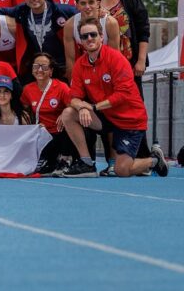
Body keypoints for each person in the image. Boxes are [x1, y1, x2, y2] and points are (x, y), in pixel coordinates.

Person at [60, 17, 167, 178]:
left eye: (93, 34)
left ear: (101, 36)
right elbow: (73, 96)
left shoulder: (116, 59)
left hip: (129, 120)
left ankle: (153, 160)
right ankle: (86, 163)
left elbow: (123, 95)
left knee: (121, 170)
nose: (89, 39)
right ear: (80, 41)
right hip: (106, 117)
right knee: (68, 113)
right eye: (84, 36)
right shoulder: (80, 65)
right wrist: (82, 106)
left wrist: (94, 107)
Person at [0, 0, 77, 80]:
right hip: (37, 67)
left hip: (60, 65)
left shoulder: (61, 10)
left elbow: (83, 13)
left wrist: (100, 12)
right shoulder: (22, 10)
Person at [19, 52, 72, 175]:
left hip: (58, 132)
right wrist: (32, 124)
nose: (39, 70)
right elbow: (24, 110)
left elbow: (73, 107)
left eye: (44, 66)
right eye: (36, 66)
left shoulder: (61, 87)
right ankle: (47, 160)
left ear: (51, 71)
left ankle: (64, 159)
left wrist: (64, 112)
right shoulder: (27, 89)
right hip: (40, 134)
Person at [99, 0, 150, 80]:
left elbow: (143, 32)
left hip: (128, 63)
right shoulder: (95, 1)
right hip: (101, 64)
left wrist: (141, 60)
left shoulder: (131, 0)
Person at [63, 0, 120, 79]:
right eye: (83, 3)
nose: (87, 7)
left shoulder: (110, 23)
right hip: (84, 69)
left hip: (106, 68)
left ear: (98, 3)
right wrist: (74, 84)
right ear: (77, 5)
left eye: (91, 2)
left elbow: (115, 57)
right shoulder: (70, 25)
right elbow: (70, 60)